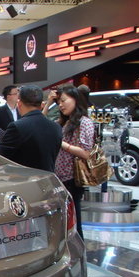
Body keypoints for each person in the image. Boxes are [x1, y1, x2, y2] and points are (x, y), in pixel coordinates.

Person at [0, 84, 62, 173]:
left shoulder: (17, 127)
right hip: (49, 178)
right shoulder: (56, 127)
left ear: (19, 103)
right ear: (41, 104)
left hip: (24, 178)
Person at [53, 85, 96, 238]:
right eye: (59, 102)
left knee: (74, 220)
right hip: (60, 177)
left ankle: (78, 248)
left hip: (73, 177)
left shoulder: (84, 122)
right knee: (63, 220)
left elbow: (86, 152)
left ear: (75, 100)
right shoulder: (64, 122)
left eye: (64, 100)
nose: (61, 105)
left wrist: (63, 144)